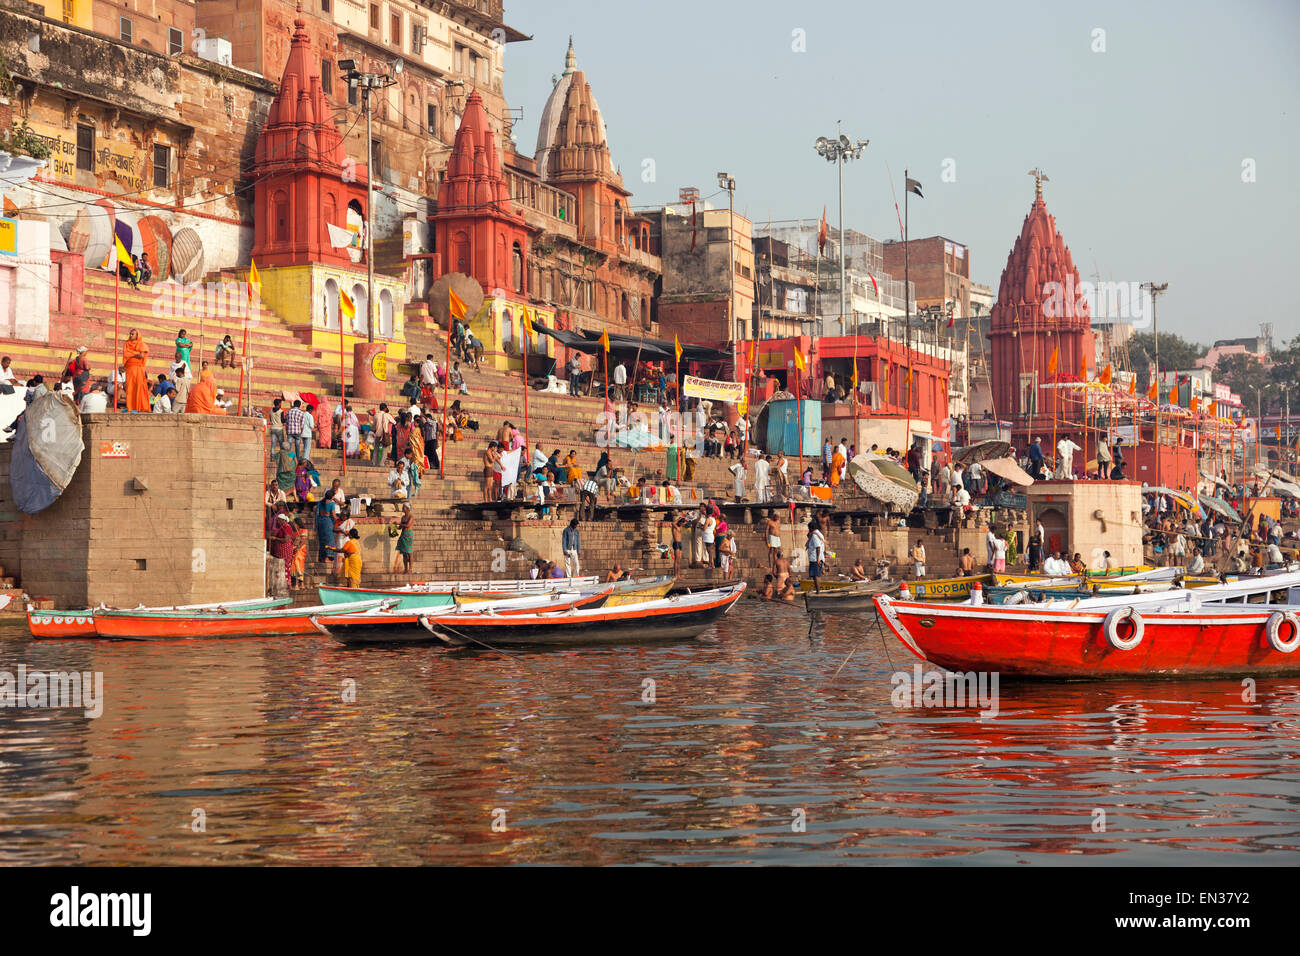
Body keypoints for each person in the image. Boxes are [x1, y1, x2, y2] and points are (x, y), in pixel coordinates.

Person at [119, 329, 149, 412]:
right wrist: (136, 354)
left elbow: (141, 356)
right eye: (130, 334)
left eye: (133, 334)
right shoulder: (126, 344)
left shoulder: (142, 344)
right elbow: (126, 354)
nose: (130, 335)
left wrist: (131, 354)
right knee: (130, 388)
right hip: (129, 369)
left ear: (137, 335)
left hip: (138, 369)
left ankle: (139, 407)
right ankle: (130, 407)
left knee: (138, 387)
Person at [806, 520, 827, 592]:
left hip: (815, 558)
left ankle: (818, 591)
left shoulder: (815, 535)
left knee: (816, 575)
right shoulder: (819, 534)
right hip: (817, 557)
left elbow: (818, 547)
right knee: (817, 575)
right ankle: (818, 590)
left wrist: (817, 558)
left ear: (810, 528)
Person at [395, 505, 415, 573]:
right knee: (404, 553)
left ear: (407, 508)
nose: (402, 508)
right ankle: (406, 569)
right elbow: (400, 527)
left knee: (409, 552)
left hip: (408, 535)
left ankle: (410, 569)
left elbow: (408, 525)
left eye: (403, 507)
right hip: (403, 534)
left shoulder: (411, 517)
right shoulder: (403, 517)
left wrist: (399, 523)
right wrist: (395, 526)